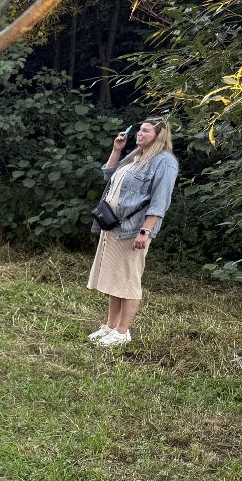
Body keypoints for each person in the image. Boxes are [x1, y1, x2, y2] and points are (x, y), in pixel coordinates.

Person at [87, 118, 178, 348]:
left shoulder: (164, 161)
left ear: (159, 135)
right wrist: (117, 150)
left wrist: (145, 231)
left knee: (128, 280)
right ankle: (110, 326)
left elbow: (161, 201)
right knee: (113, 278)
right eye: (139, 130)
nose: (139, 133)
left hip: (133, 230)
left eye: (146, 130)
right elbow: (110, 177)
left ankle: (122, 331)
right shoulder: (136, 155)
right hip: (113, 226)